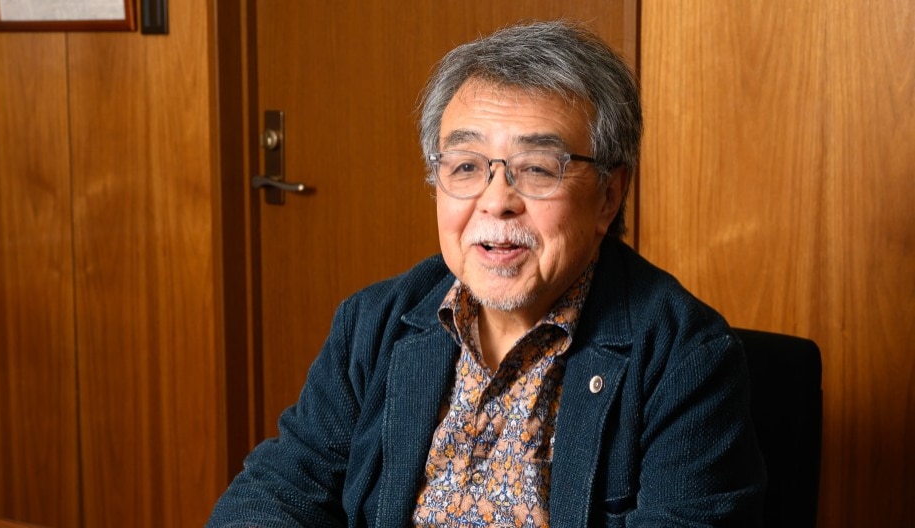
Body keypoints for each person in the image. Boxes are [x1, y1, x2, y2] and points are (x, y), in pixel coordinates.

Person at [208, 20, 766, 527]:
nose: (496, 201)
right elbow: (279, 490)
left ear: (608, 196)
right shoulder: (373, 323)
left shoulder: (686, 359)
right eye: (466, 166)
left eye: (537, 168)